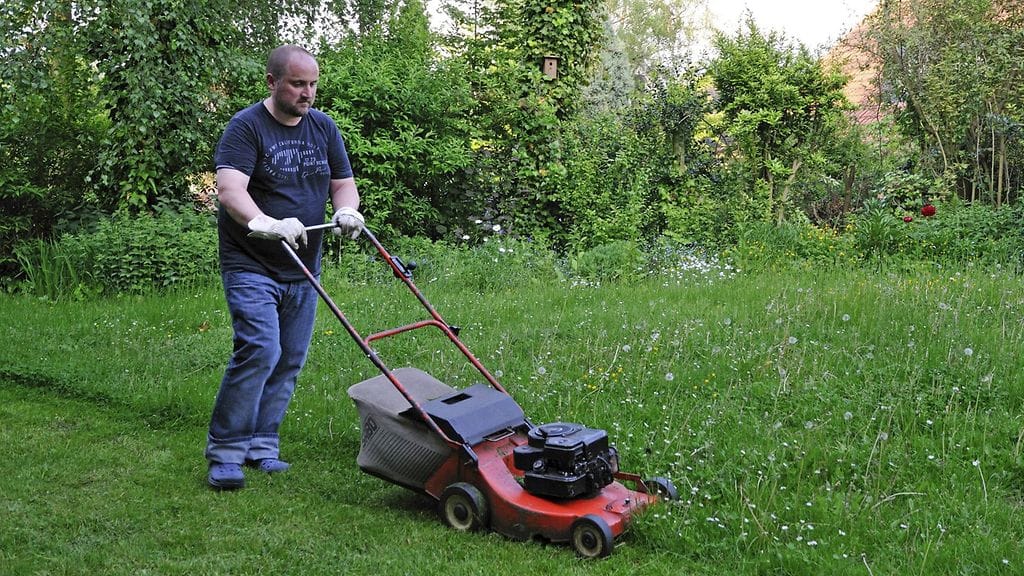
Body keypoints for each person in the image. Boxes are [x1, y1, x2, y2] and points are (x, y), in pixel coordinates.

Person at [206, 44, 364, 490]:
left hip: (303, 265)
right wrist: (267, 222)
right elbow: (230, 190)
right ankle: (226, 453)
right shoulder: (246, 127)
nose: (307, 93)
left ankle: (262, 446)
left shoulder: (323, 127)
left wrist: (347, 210)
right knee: (260, 349)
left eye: (312, 84)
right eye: (297, 84)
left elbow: (343, 183)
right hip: (251, 262)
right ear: (272, 82)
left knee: (290, 358)